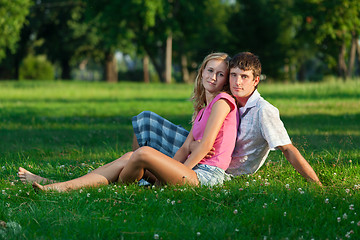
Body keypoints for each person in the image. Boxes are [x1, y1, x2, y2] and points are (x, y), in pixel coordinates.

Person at [20, 52, 239, 191]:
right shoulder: (203, 109)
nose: (214, 77)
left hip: (206, 177)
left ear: (225, 80)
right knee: (129, 157)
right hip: (191, 171)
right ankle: (55, 185)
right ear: (202, 73)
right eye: (210, 70)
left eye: (221, 74)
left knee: (142, 153)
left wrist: (181, 170)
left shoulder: (222, 101)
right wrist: (172, 168)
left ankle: (68, 187)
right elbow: (185, 147)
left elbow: (206, 145)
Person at [131, 52, 322, 184]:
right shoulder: (233, 100)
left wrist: (316, 185)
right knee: (146, 121)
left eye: (244, 77)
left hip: (218, 168)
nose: (237, 82)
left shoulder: (263, 111)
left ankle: (144, 176)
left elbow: (288, 149)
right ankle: (138, 174)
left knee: (149, 150)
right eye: (233, 75)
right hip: (204, 154)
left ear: (256, 81)